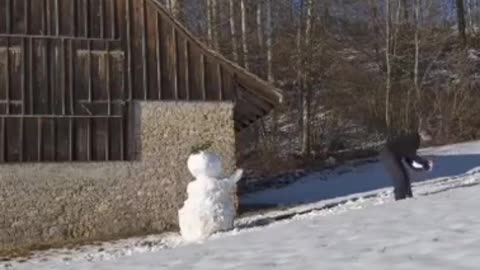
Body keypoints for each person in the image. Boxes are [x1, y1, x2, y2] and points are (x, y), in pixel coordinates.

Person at [379, 125, 434, 201]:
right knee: (400, 176)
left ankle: (408, 197)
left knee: (405, 175)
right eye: (427, 141)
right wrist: (425, 163)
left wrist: (422, 167)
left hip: (392, 155)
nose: (426, 143)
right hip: (388, 154)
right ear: (423, 136)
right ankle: (400, 199)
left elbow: (410, 161)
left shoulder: (413, 141)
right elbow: (413, 157)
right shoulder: (413, 140)